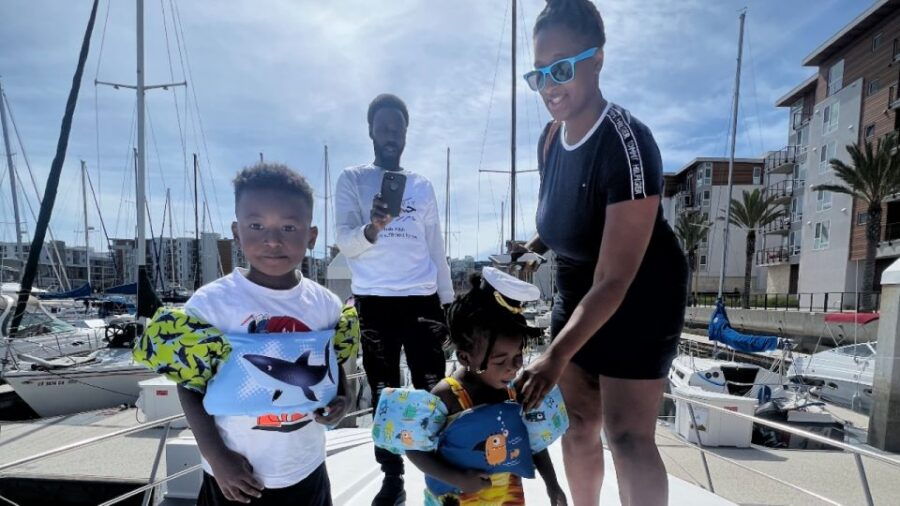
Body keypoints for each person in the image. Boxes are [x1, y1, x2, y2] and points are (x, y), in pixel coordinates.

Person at [514, 1, 689, 505]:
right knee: (578, 423)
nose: (550, 85)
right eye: (539, 73)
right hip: (575, 286)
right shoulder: (549, 140)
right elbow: (567, 216)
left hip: (639, 291)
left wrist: (553, 355)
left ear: (598, 60)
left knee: (627, 435)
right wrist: (531, 248)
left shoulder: (627, 142)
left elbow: (615, 276)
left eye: (562, 67)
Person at [176, 163, 350, 505]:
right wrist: (217, 459)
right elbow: (188, 385)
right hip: (234, 476)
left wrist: (342, 397)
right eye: (256, 226)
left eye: (289, 227)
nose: (272, 240)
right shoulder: (211, 303)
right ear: (237, 233)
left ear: (311, 237)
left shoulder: (327, 303)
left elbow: (334, 363)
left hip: (307, 468)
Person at [335, 93, 453, 505]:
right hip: (375, 302)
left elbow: (435, 247)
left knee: (431, 390)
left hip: (422, 300)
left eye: (397, 128)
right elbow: (345, 242)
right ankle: (392, 477)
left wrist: (447, 302)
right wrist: (374, 227)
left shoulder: (421, 185)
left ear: (405, 133)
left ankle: (440, 477)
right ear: (370, 131)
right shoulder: (352, 178)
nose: (391, 134)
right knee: (385, 392)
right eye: (383, 127)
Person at [371, 267, 568, 506]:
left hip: (507, 497)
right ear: (465, 358)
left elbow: (532, 441)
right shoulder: (448, 395)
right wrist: (458, 478)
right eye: (500, 361)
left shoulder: (512, 392)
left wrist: (552, 484)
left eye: (519, 355)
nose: (513, 368)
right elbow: (414, 449)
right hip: (456, 498)